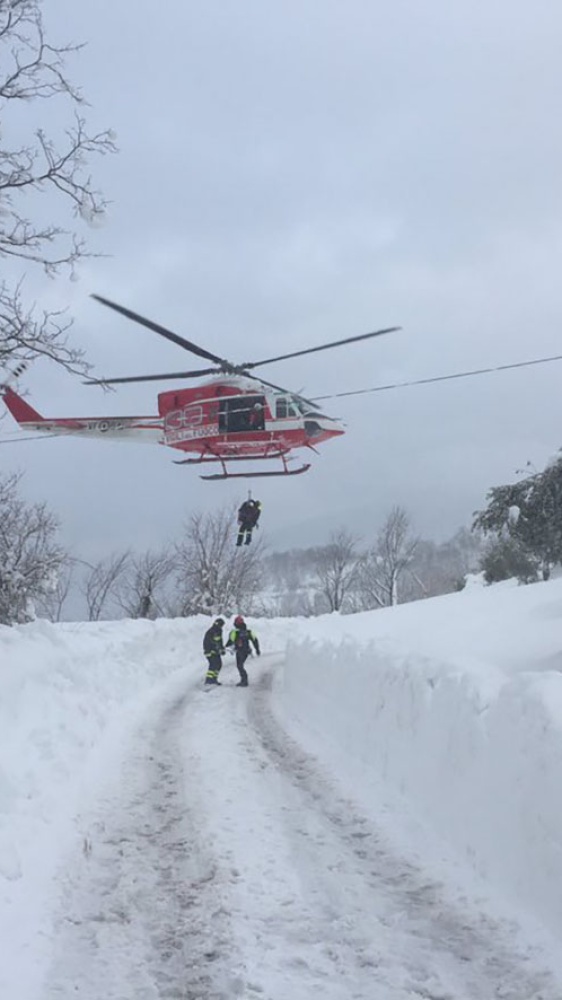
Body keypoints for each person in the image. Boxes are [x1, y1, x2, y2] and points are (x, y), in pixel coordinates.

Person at [226, 615, 260, 686]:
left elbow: (230, 641)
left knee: (239, 666)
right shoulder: (248, 631)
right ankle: (244, 680)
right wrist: (257, 649)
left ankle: (244, 681)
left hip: (240, 651)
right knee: (240, 666)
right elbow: (255, 640)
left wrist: (224, 647)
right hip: (247, 651)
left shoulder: (235, 632)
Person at [203, 617, 225, 685]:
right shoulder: (211, 631)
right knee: (213, 665)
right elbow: (207, 642)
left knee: (219, 665)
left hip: (216, 652)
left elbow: (219, 641)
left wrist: (221, 649)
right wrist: (208, 651)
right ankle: (208, 680)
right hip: (210, 652)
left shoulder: (219, 631)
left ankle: (214, 679)